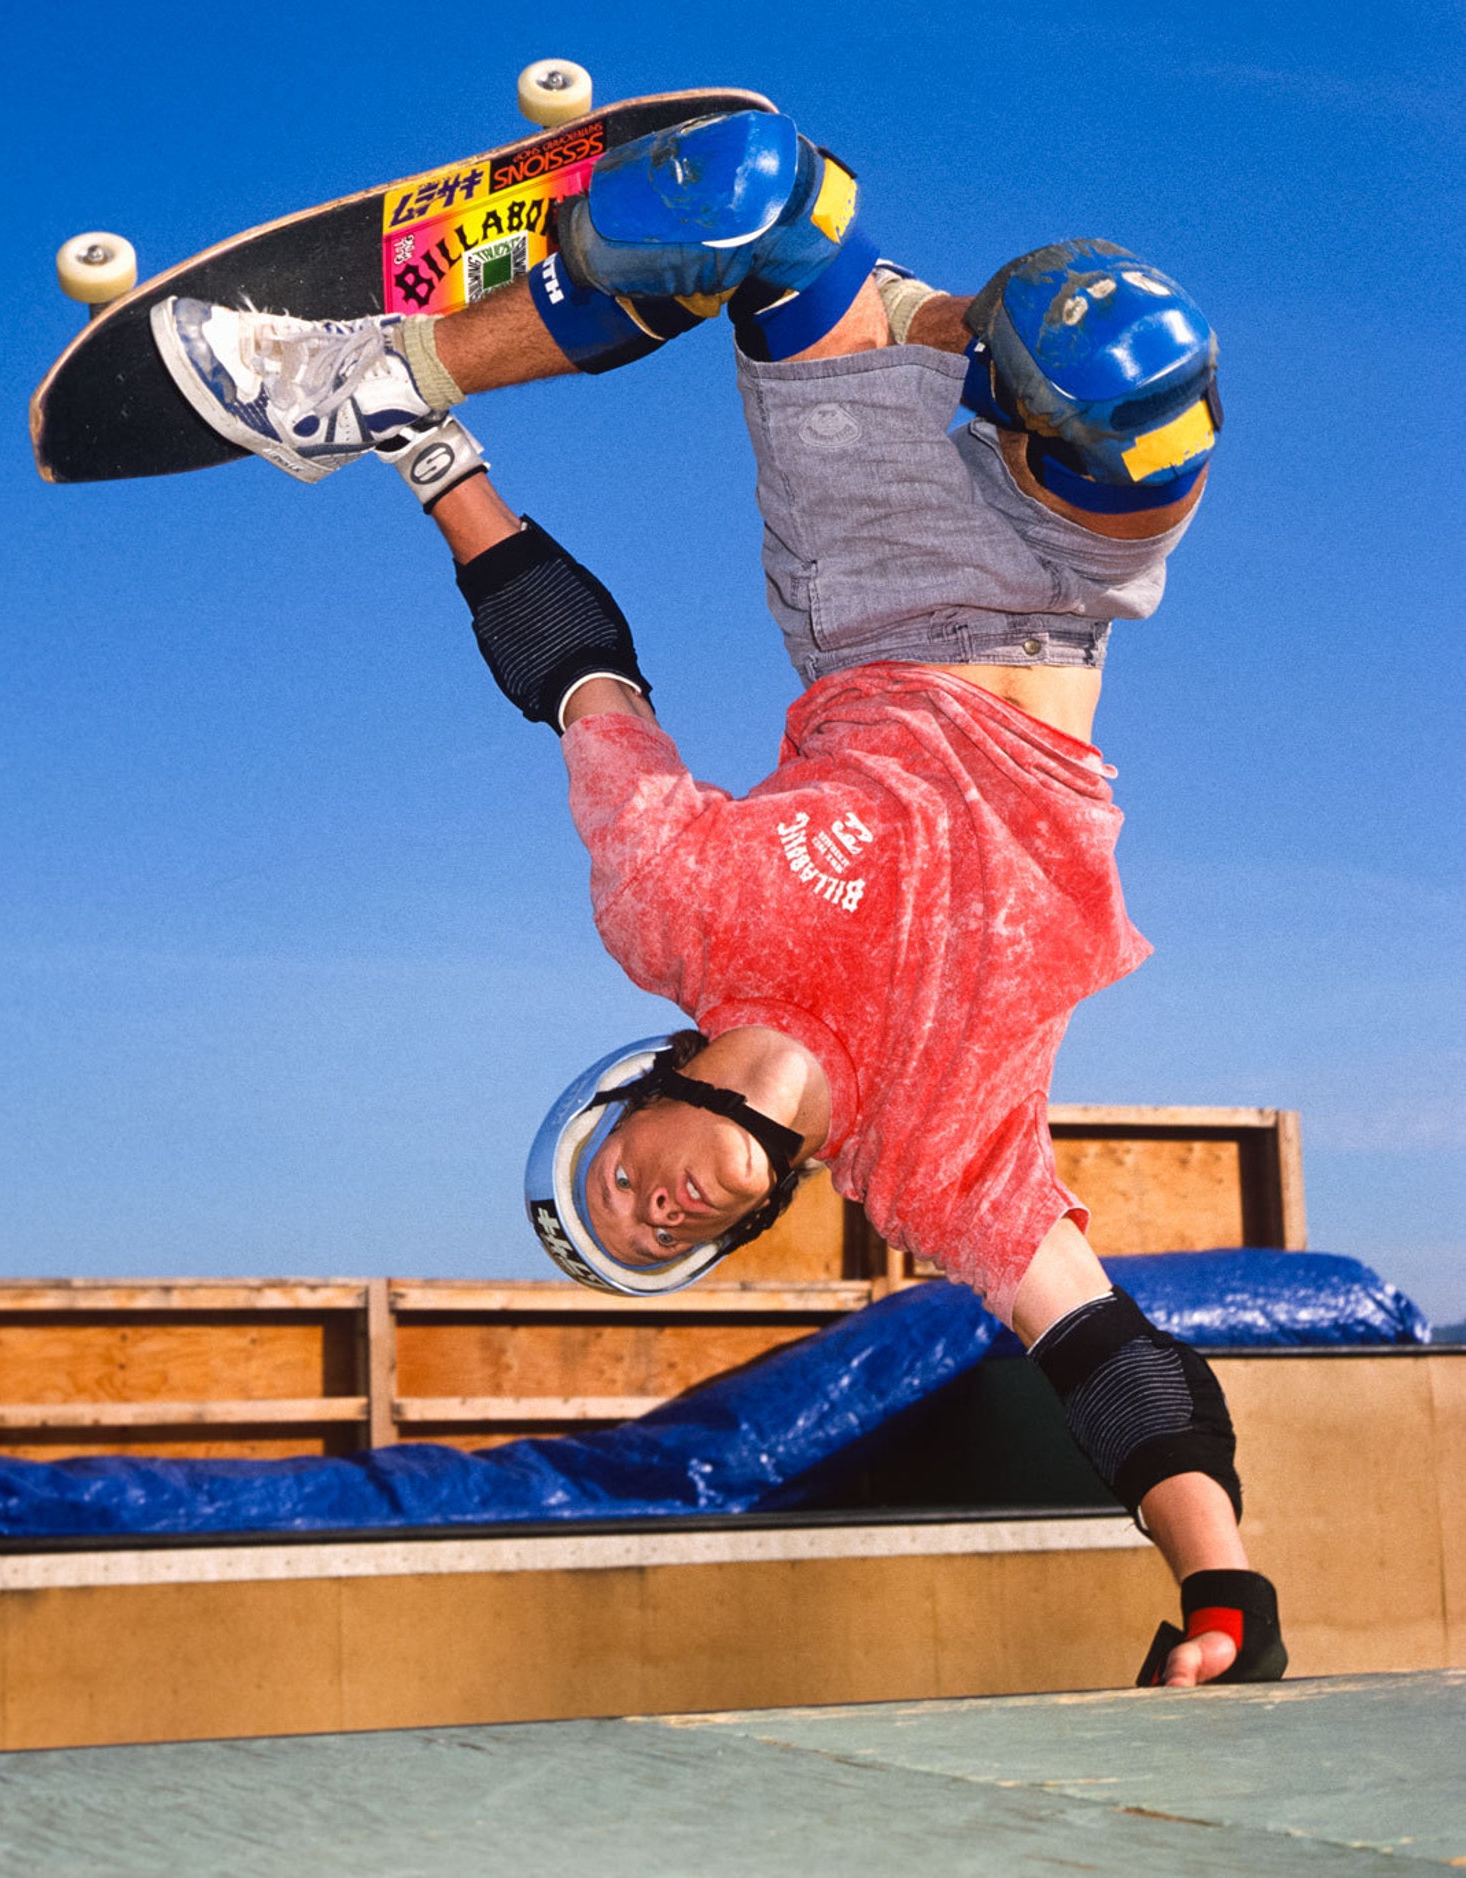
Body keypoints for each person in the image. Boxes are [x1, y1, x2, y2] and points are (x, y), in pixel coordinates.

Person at [150, 111, 1286, 1689]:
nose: (658, 1216)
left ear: (637, 1093)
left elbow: (581, 676)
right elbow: (1105, 1357)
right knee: (1124, 363)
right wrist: (1224, 1588)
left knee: (762, 189)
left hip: (875, 576)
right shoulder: (940, 1158)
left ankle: (378, 371)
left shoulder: (669, 912)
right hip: (1066, 587)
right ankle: (903, 325)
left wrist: (434, 463)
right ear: (757, 1214)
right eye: (669, 1246)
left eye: (620, 1194)